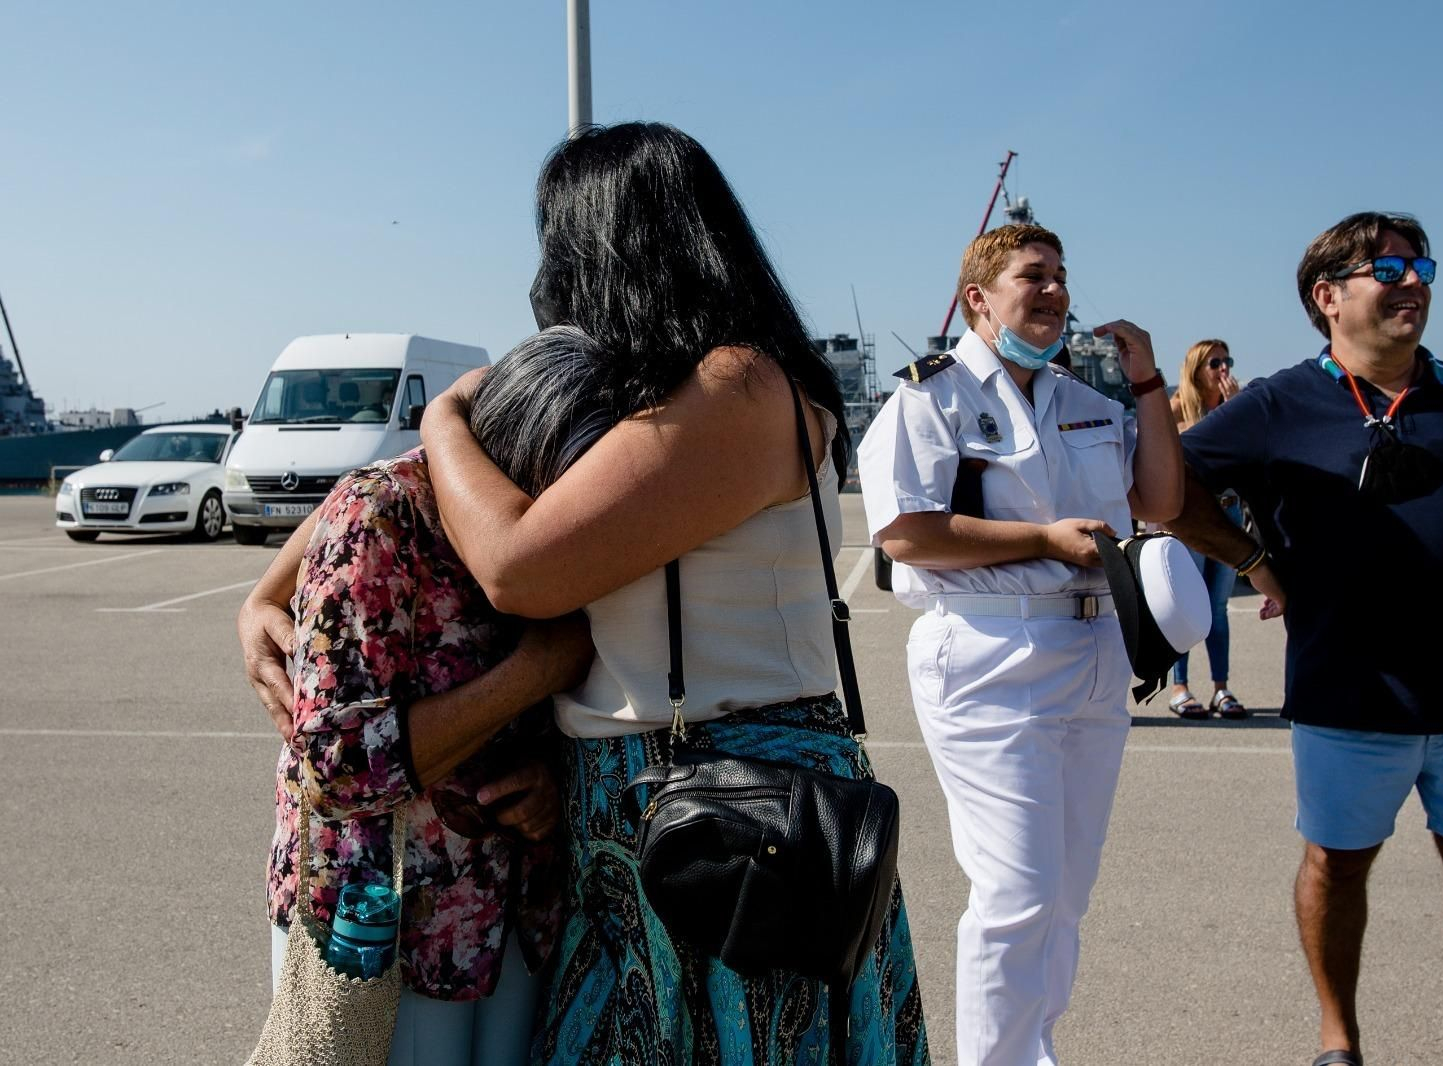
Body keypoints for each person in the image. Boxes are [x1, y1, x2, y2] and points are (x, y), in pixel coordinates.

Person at [242, 122, 929, 1065]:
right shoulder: (652, 392)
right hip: (641, 804)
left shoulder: (739, 386)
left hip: (734, 810)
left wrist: (443, 415)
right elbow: (384, 496)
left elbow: (521, 567)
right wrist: (265, 594)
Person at [1166, 212, 1443, 1066]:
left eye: (1421, 266)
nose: (1413, 283)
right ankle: (1338, 1041)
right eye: (1388, 270)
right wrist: (1251, 560)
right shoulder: (1275, 405)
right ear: (1328, 296)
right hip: (1346, 694)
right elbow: (1165, 488)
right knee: (1337, 867)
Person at [856, 222, 1183, 1065]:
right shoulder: (929, 397)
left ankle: (1031, 1046)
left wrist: (1148, 384)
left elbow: (1161, 498)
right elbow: (905, 535)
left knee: (1066, 893)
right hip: (987, 653)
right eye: (1032, 277)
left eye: (1061, 277)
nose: (1053, 291)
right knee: (1017, 891)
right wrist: (1043, 540)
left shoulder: (1085, 401)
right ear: (978, 299)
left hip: (1094, 651)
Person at [264, 327, 607, 1066]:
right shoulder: (378, 516)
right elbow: (336, 763)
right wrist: (533, 671)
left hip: (512, 919)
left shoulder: (572, 527)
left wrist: (552, 788)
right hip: (383, 932)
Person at [1165, 338, 1248, 719]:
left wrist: (1235, 410)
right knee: (1187, 605)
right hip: (1191, 518)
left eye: (1226, 361)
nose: (1223, 370)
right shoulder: (1177, 408)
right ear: (1196, 370)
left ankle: (1221, 687)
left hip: (1229, 513)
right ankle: (1180, 686)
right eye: (1214, 363)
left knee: (1218, 607)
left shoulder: (1235, 408)